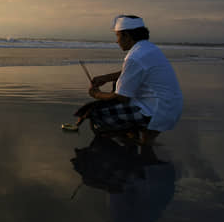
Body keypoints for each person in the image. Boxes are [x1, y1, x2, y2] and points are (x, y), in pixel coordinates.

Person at [75, 15, 183, 146]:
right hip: (170, 107)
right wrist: (106, 78)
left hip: (155, 111)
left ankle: (128, 141)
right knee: (117, 86)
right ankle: (138, 137)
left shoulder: (134, 56)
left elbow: (122, 97)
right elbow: (135, 72)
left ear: (126, 35)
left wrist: (96, 94)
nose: (117, 41)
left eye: (118, 36)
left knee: (96, 113)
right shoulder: (149, 49)